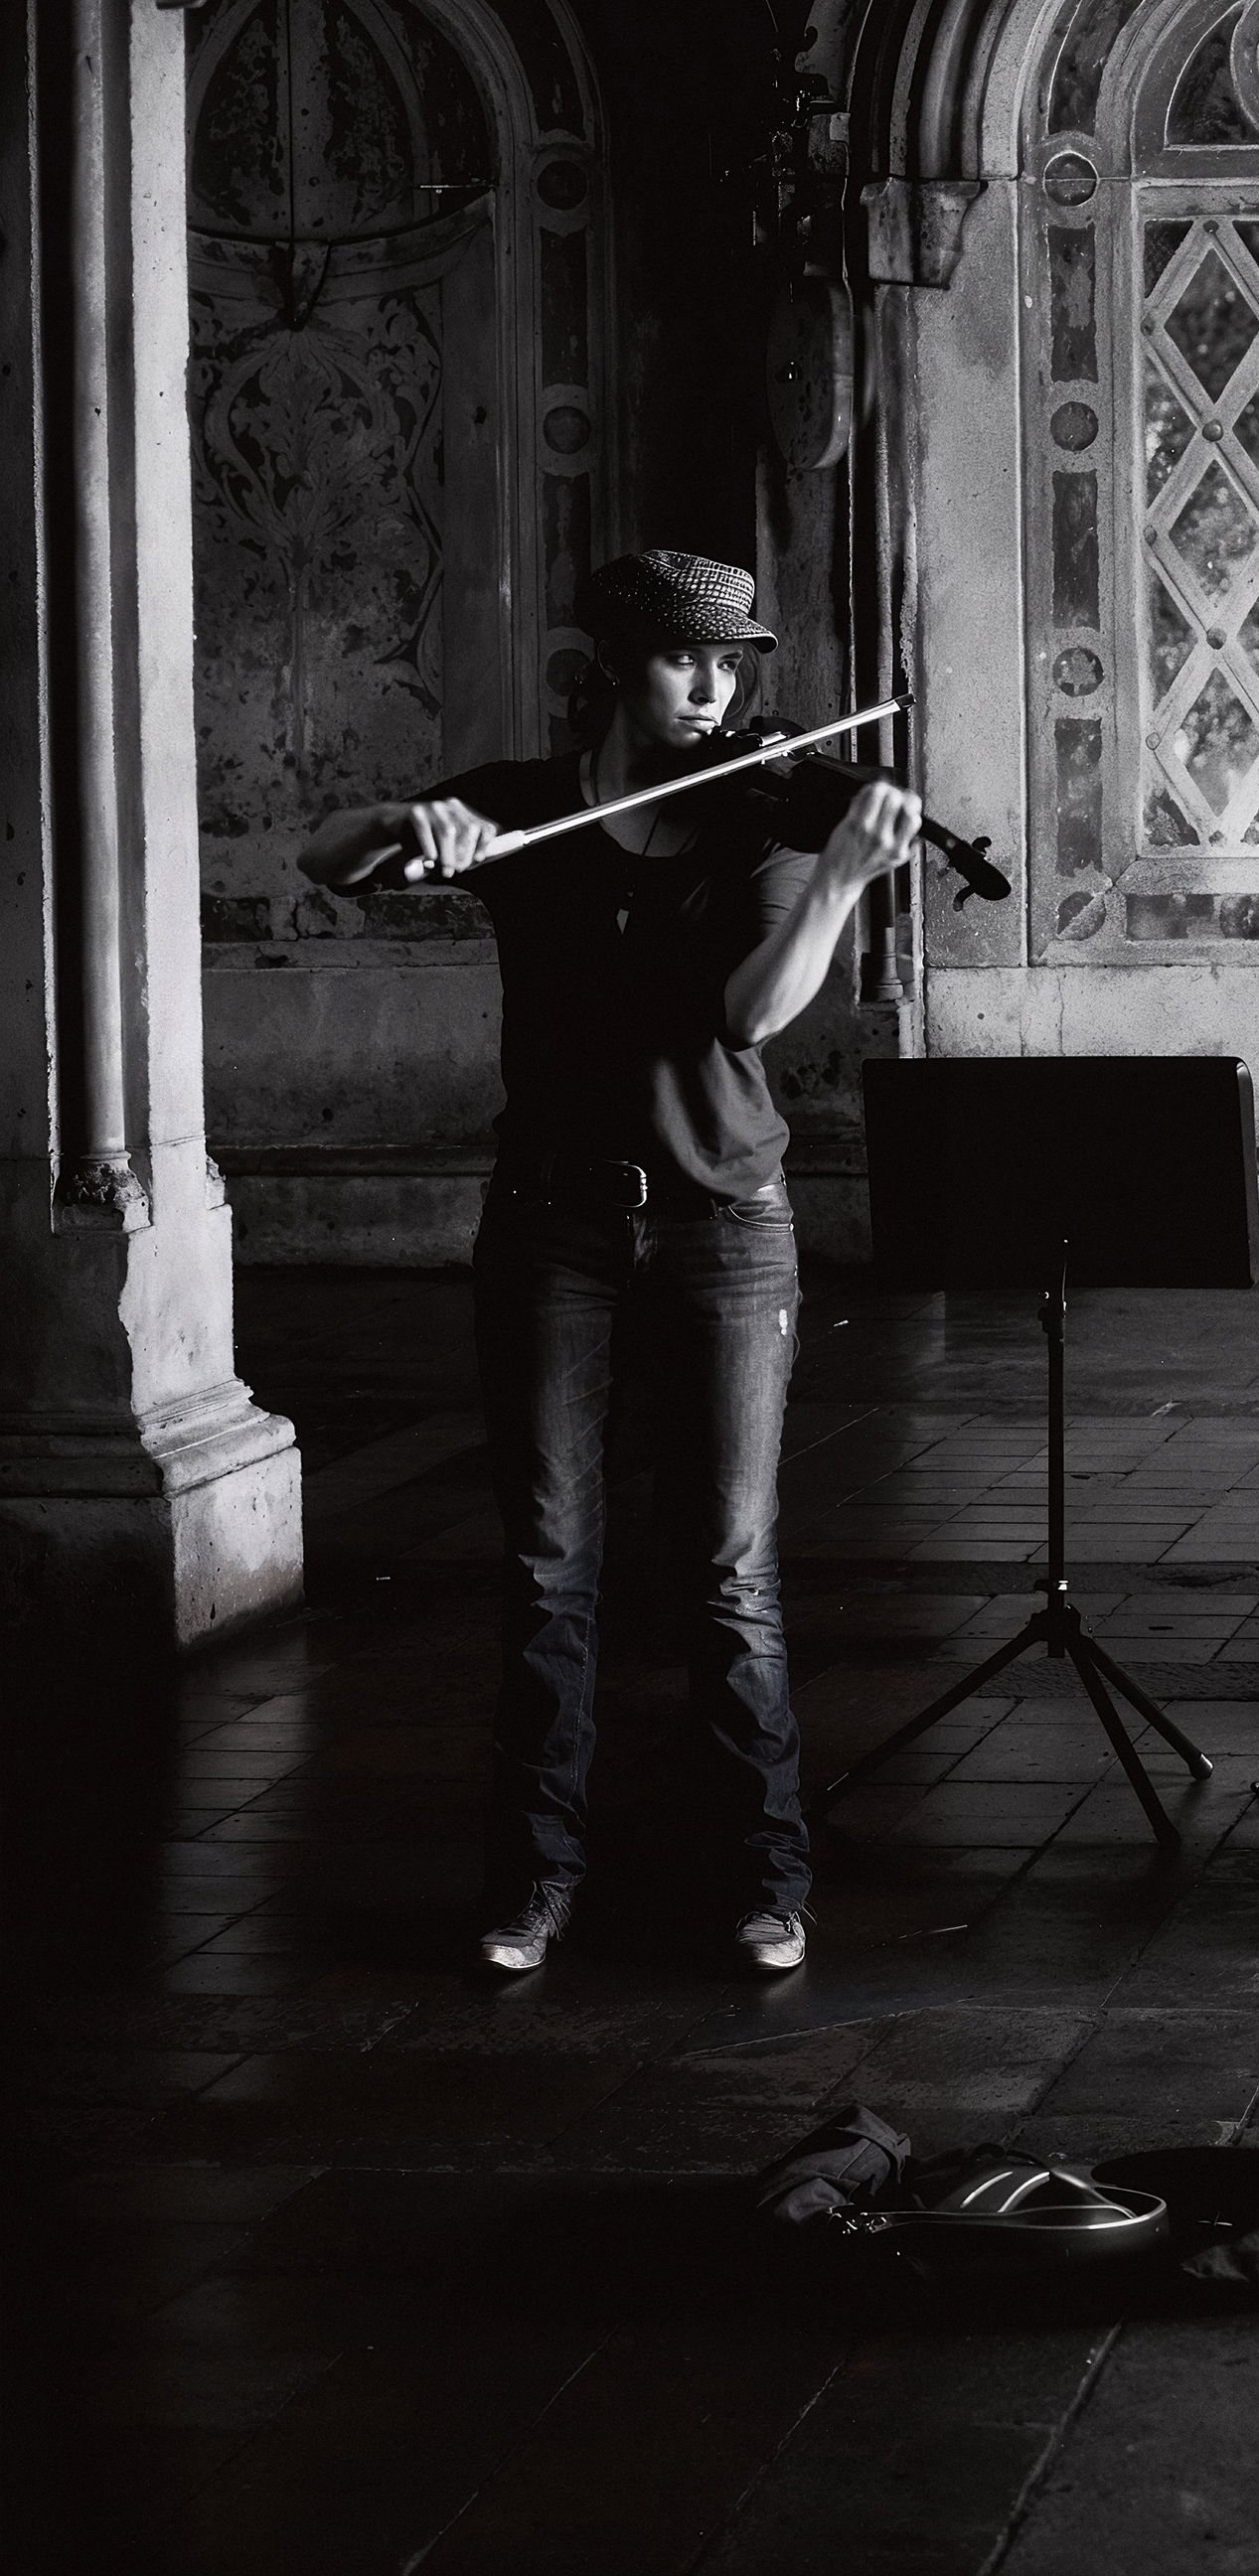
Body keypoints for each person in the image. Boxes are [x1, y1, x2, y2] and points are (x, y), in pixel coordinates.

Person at [293, 550, 922, 1978]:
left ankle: (768, 1880)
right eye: (685, 660)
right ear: (614, 665)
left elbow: (749, 1018)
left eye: (730, 663)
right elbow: (321, 857)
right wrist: (411, 819)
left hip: (723, 1226)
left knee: (727, 1570)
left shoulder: (767, 824)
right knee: (546, 1565)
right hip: (552, 1226)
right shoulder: (522, 808)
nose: (714, 688)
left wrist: (838, 881)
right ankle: (531, 1879)